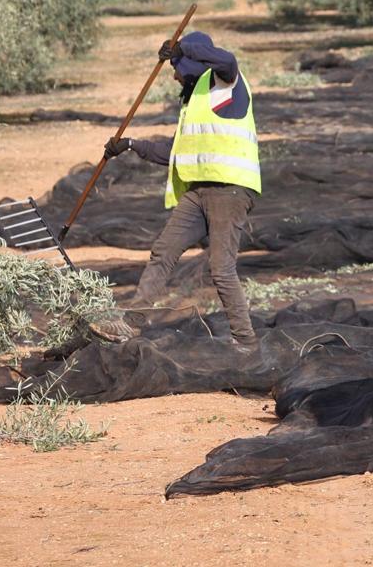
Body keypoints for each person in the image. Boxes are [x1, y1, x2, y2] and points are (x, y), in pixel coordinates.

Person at [93, 31, 261, 351]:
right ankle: (131, 324)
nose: (173, 75)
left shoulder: (225, 82)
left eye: (176, 66)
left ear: (192, 61)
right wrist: (130, 145)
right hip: (199, 193)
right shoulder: (194, 98)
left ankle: (246, 342)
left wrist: (181, 47)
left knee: (221, 269)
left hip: (231, 190)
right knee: (163, 251)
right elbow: (176, 153)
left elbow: (226, 58)